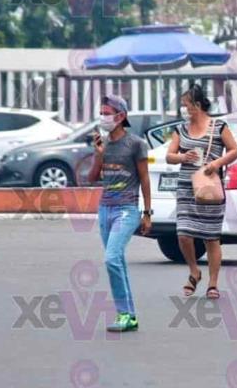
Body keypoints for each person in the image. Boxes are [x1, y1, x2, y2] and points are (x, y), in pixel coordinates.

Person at [166, 85, 237, 299]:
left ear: (197, 105)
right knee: (183, 234)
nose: (183, 109)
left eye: (185, 105)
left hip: (210, 186)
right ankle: (194, 271)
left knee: (211, 237)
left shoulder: (218, 126)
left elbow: (235, 150)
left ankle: (213, 283)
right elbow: (170, 155)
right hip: (186, 187)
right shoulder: (181, 129)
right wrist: (183, 157)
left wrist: (216, 163)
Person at [87, 94, 151, 332]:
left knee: (111, 258)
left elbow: (144, 178)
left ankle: (125, 313)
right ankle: (128, 315)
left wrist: (147, 213)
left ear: (121, 116)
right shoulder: (102, 144)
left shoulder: (135, 144)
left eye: (106, 112)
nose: (103, 117)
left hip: (127, 209)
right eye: (101, 112)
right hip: (105, 209)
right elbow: (92, 178)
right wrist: (99, 155)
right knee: (118, 261)